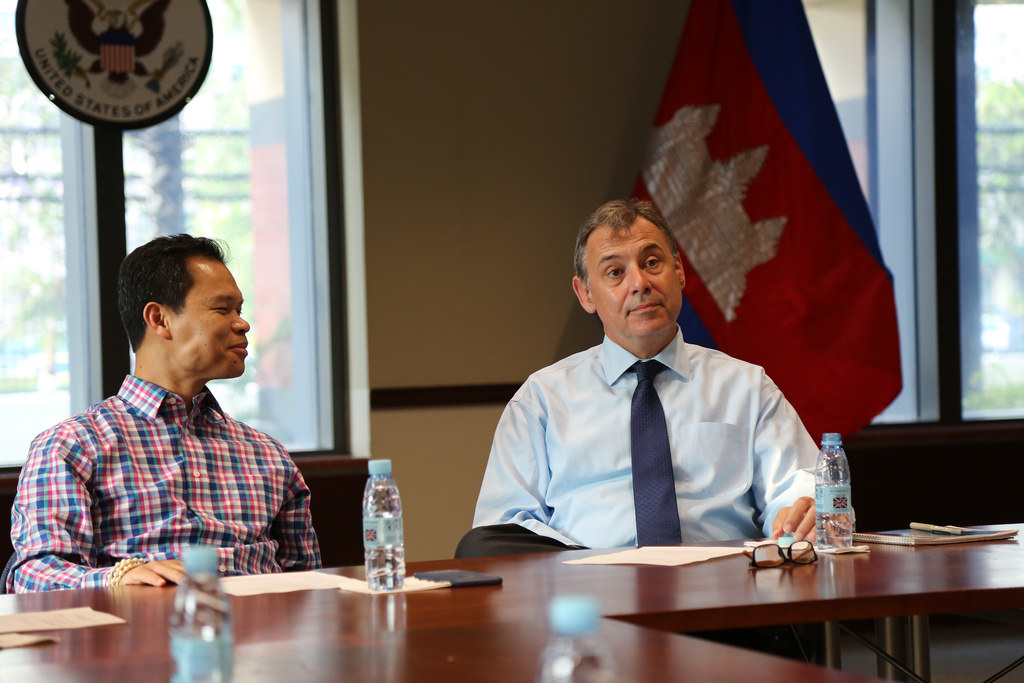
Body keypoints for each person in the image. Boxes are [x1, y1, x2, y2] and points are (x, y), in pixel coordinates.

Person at [466, 199, 818, 556]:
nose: (639, 283)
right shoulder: (542, 399)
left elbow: (797, 487)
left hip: (721, 577)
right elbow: (505, 525)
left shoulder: (747, 387)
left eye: (651, 263)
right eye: (615, 272)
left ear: (678, 271)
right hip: (588, 580)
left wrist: (802, 510)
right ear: (585, 294)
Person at [6, 235, 321, 593]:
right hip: (139, 624)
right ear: (159, 319)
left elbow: (310, 585)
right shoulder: (72, 446)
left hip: (264, 624)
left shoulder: (267, 453)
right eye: (223, 309)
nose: (242, 324)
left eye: (240, 310)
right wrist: (119, 577)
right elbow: (34, 576)